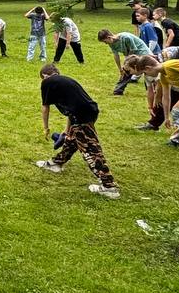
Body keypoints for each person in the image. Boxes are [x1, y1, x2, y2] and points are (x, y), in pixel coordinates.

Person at [34, 64, 121, 198]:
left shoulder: (48, 83)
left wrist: (45, 128)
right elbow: (72, 107)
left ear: (45, 76)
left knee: (90, 149)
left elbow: (45, 107)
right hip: (88, 111)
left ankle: (109, 187)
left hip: (81, 115)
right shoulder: (65, 81)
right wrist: (66, 130)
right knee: (72, 139)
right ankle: (56, 163)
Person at [97, 28, 150, 95]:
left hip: (143, 54)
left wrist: (126, 64)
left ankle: (151, 90)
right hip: (131, 56)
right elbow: (116, 55)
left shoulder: (126, 37)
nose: (105, 43)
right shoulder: (112, 43)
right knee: (125, 71)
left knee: (147, 72)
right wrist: (120, 69)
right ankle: (118, 91)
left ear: (109, 37)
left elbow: (133, 50)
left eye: (105, 41)